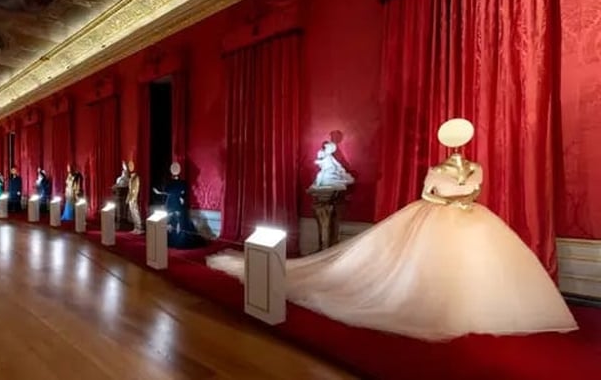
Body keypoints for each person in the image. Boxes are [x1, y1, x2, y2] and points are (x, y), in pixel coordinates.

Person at [207, 118, 578, 341]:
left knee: (478, 268)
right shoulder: (437, 169)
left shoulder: (475, 167)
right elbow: (427, 194)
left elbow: (477, 189)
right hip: (437, 216)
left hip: (472, 217)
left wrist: (464, 198)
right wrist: (451, 201)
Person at [153, 162, 205, 248]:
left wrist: (159, 193)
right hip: (177, 205)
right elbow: (181, 194)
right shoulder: (181, 183)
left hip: (172, 205)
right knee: (177, 223)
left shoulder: (171, 184)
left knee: (175, 223)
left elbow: (168, 193)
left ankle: (176, 240)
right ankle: (176, 239)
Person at [126, 161, 143, 234]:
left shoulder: (136, 178)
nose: (130, 167)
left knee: (135, 212)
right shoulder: (130, 178)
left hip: (134, 198)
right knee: (132, 213)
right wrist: (128, 198)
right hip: (130, 198)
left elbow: (136, 189)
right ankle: (135, 227)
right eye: (129, 166)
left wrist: (134, 198)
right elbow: (129, 190)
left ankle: (139, 227)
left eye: (131, 165)